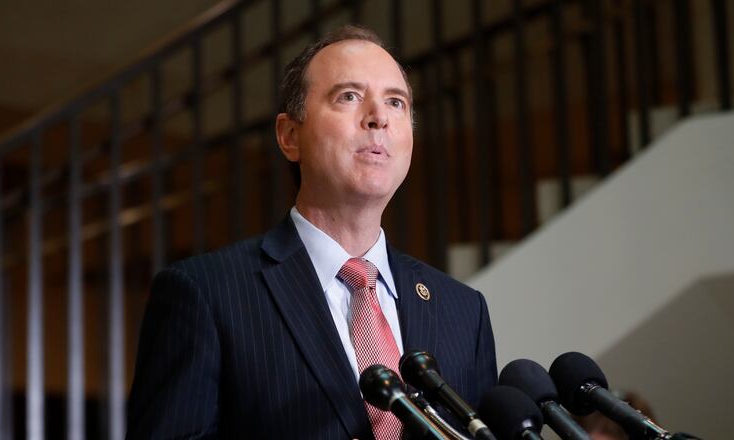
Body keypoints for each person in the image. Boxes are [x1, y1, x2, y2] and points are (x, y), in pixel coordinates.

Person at [126, 25, 497, 439]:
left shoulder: (465, 311)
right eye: (349, 96)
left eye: (396, 102)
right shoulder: (206, 294)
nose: (378, 118)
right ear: (289, 136)